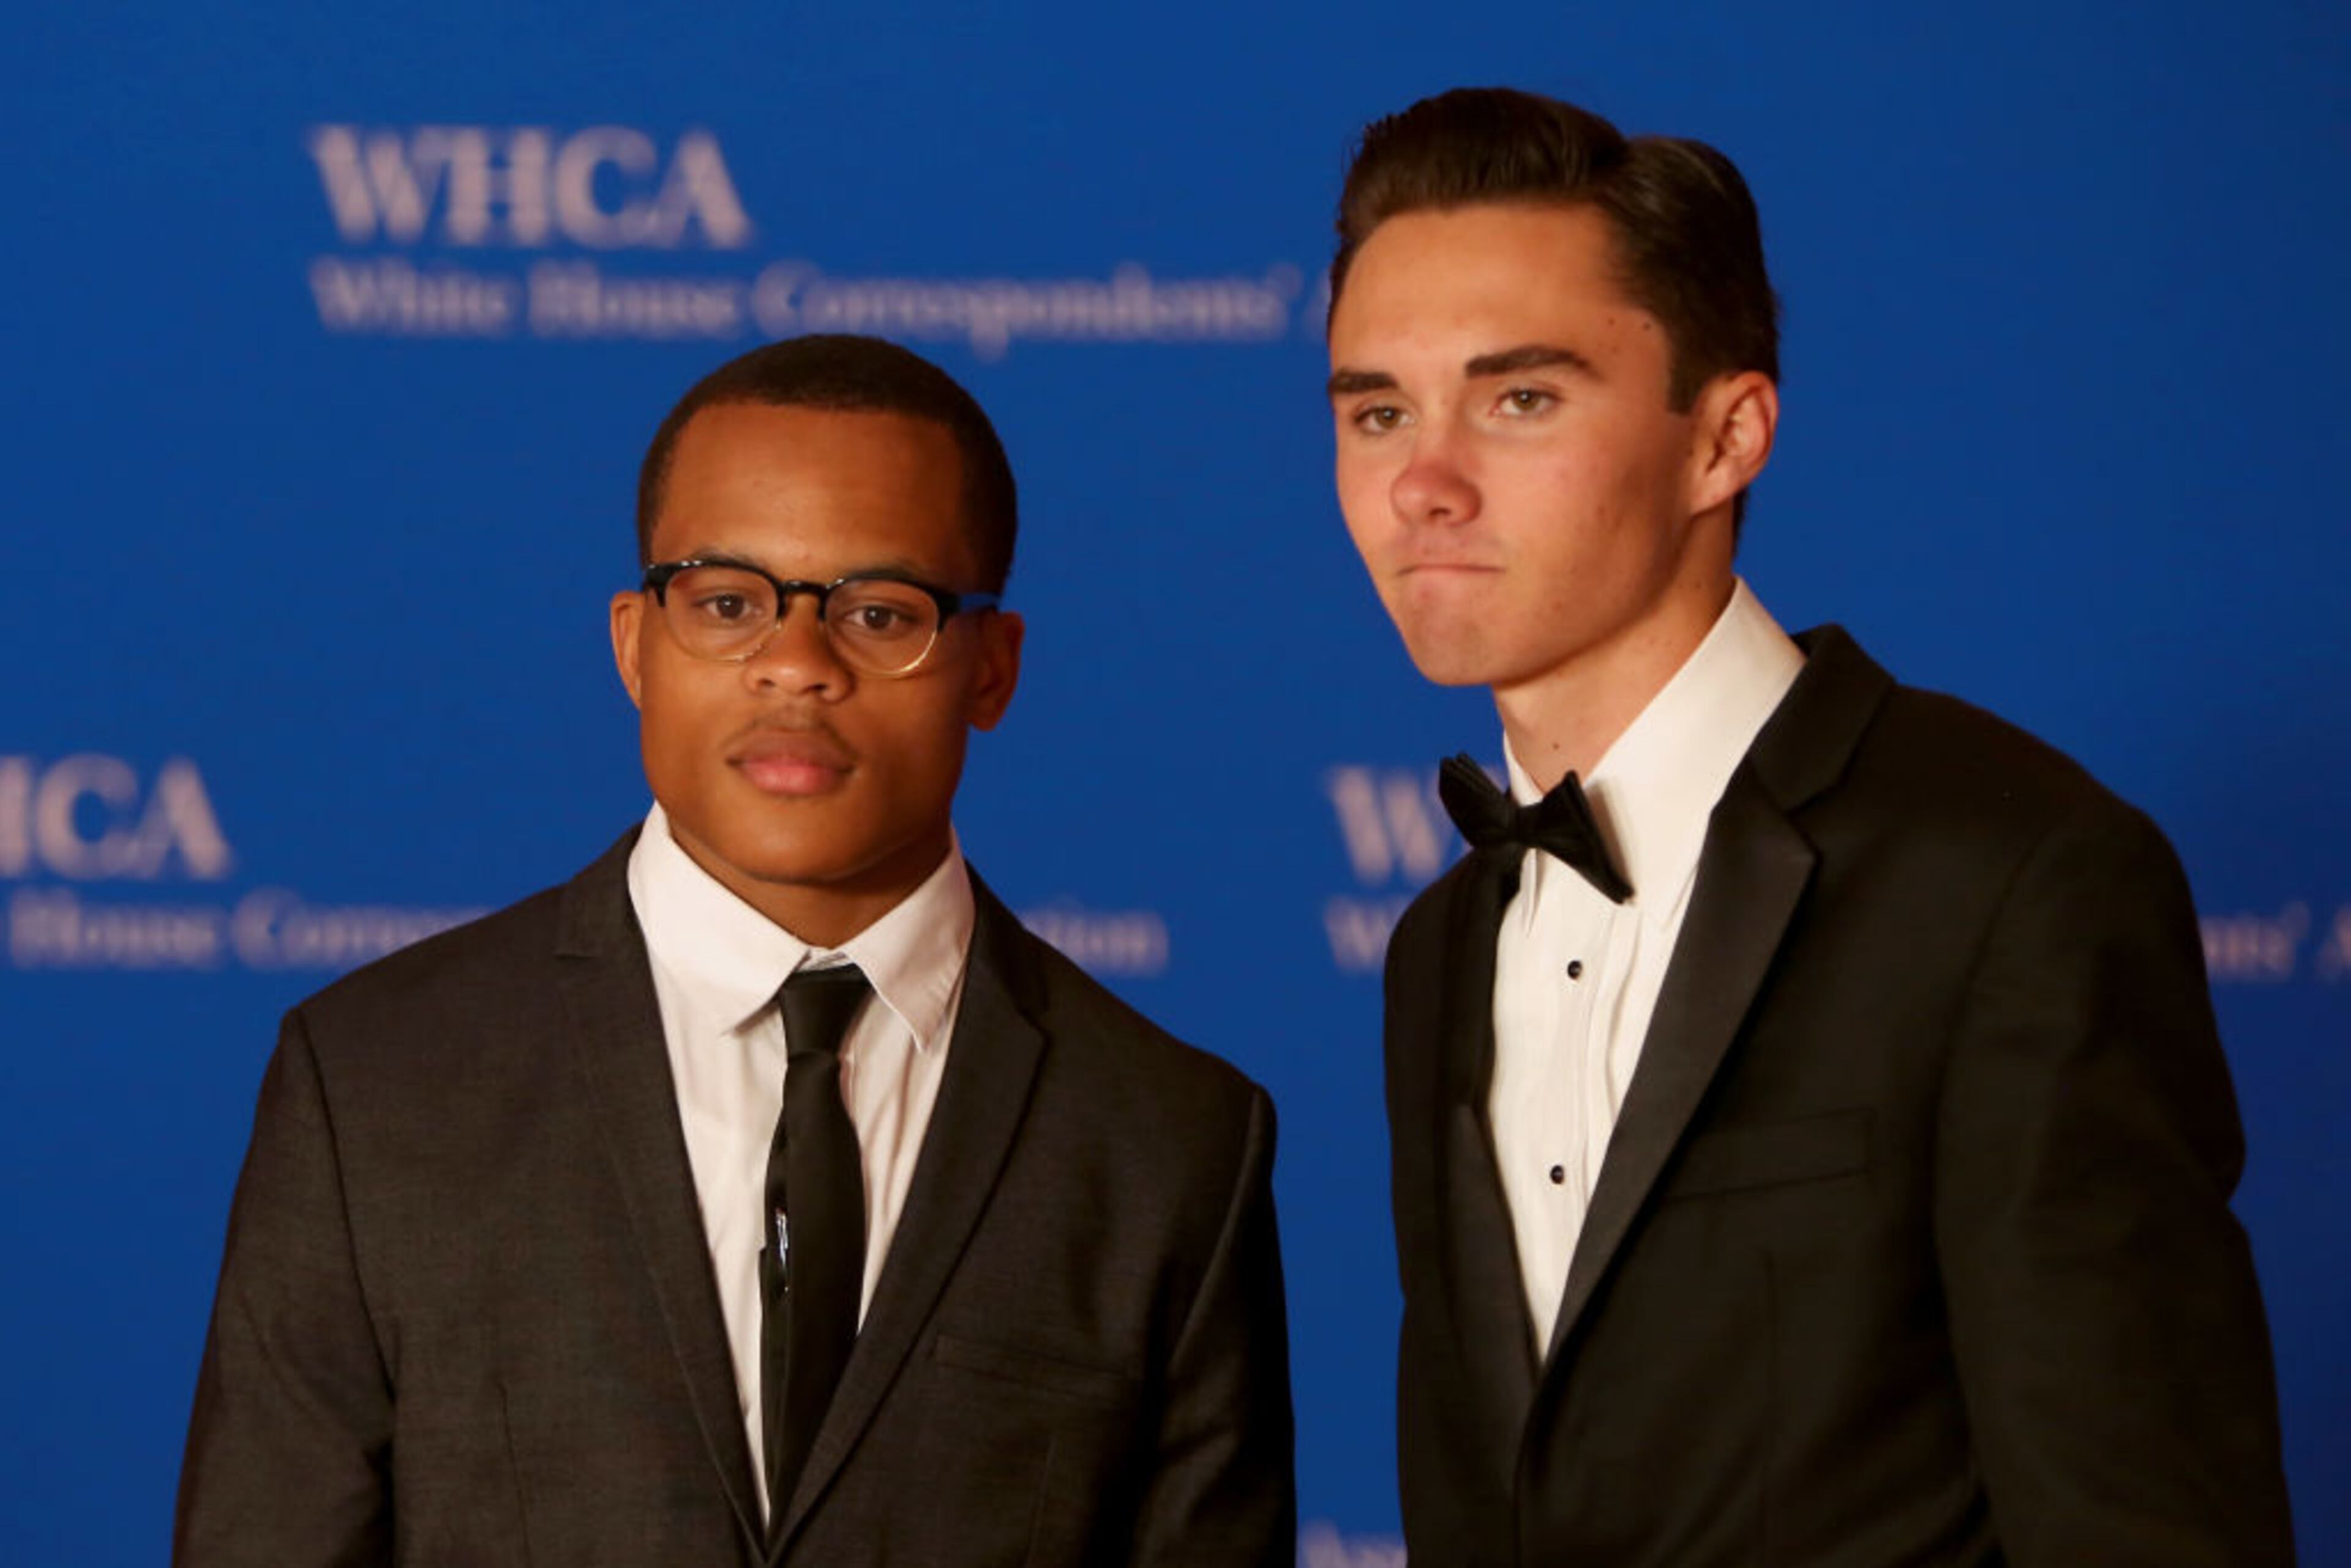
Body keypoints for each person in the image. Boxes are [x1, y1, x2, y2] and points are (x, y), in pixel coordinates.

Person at [1324, 87, 2293, 1565]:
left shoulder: (2010, 879)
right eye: (1378, 409)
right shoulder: (1441, 946)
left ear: (1726, 438)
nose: (1421, 483)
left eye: (1521, 398)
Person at [176, 334, 1294, 1566]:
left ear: (993, 668)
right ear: (633, 644)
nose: (797, 665)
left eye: (880, 613)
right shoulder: (374, 1085)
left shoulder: (1169, 1140)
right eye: (726, 603)